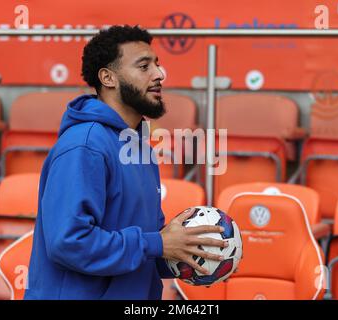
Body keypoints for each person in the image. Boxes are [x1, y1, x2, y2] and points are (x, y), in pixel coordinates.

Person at [24, 25, 227, 300]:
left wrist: (190, 253)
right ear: (108, 77)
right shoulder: (84, 146)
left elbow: (145, 250)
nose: (159, 74)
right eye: (144, 66)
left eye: (157, 65)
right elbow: (69, 243)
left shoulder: (138, 147)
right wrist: (156, 242)